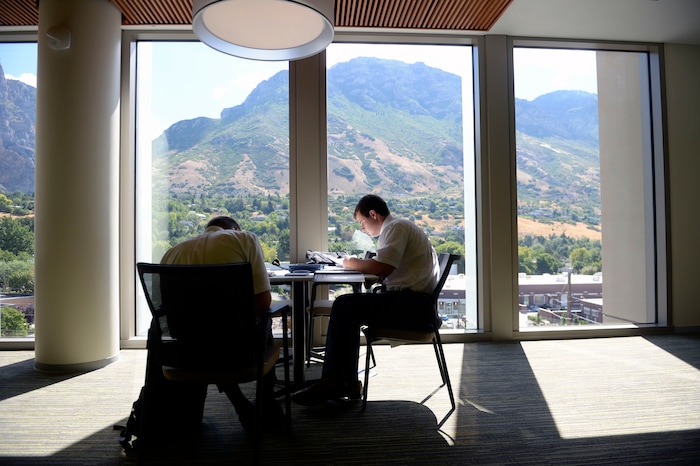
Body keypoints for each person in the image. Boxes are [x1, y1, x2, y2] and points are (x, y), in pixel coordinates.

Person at [292, 194, 439, 406]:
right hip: (415, 305)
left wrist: (351, 262)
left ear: (373, 214)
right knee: (348, 307)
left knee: (344, 306)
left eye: (362, 222)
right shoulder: (398, 228)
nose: (362, 229)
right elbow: (388, 268)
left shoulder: (395, 227)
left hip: (413, 308)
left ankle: (336, 381)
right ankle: (345, 381)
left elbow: (382, 266)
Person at [158, 215, 282, 433]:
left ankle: (239, 404)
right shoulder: (244, 239)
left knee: (210, 335)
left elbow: (166, 310)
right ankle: (267, 405)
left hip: (188, 351)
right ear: (234, 228)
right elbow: (262, 303)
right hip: (238, 351)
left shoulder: (173, 252)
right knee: (262, 322)